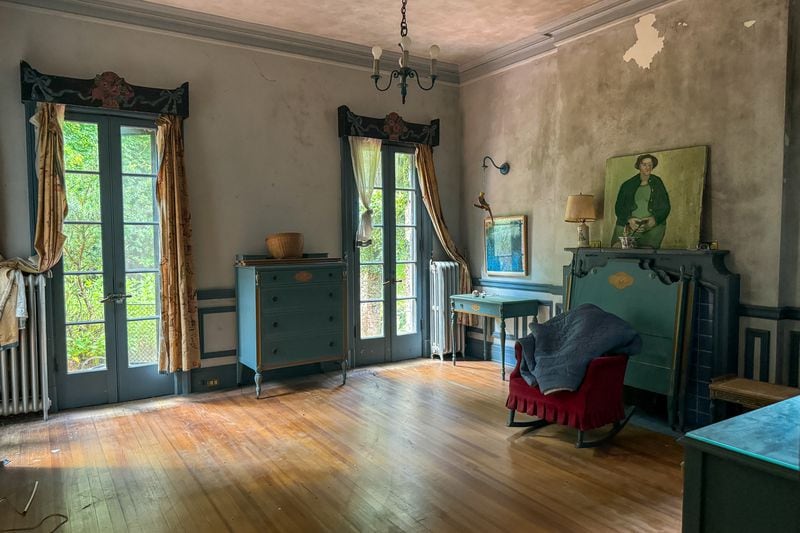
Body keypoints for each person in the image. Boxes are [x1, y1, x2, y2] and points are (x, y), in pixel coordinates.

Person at [611, 154, 670, 248]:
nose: (647, 167)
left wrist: (654, 220)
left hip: (652, 228)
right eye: (644, 164)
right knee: (616, 248)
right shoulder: (627, 185)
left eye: (650, 165)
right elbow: (619, 207)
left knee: (647, 253)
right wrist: (629, 220)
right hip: (628, 226)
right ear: (639, 166)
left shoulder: (657, 182)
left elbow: (665, 206)